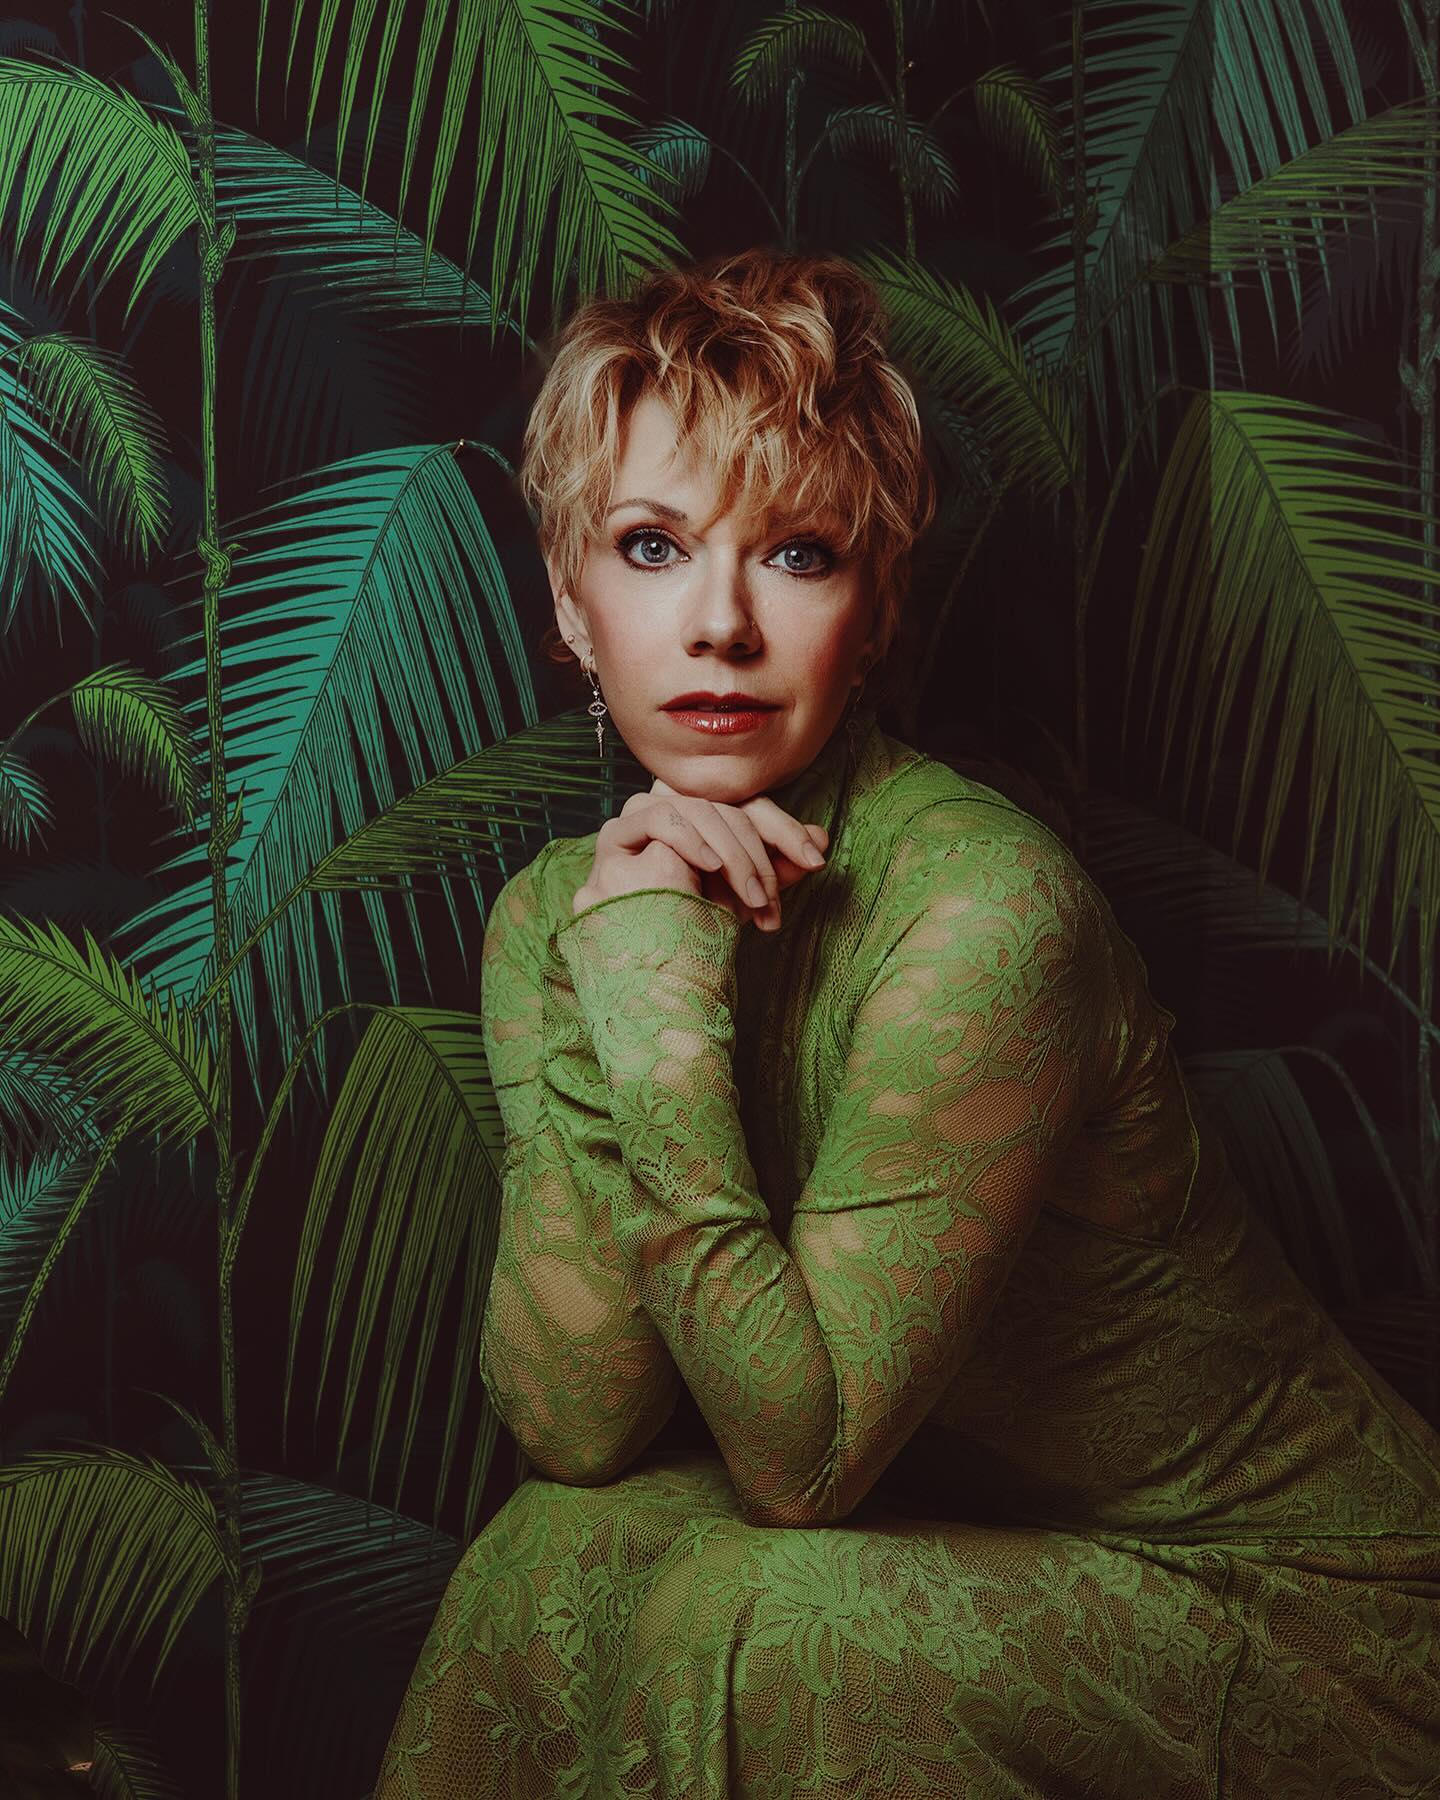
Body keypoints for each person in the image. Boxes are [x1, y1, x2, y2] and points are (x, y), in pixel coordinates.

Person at [375, 249, 1440, 1798]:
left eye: (798, 555)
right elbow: (577, 1427)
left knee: (766, 1619)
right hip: (983, 1541)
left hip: (1304, 1620)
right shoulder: (571, 917)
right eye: (654, 546)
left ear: (874, 614)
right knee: (554, 1557)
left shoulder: (988, 913)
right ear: (567, 603)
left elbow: (799, 1470)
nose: (720, 622)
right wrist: (636, 973)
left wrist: (654, 1025)